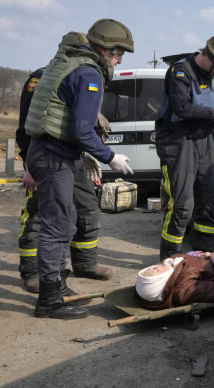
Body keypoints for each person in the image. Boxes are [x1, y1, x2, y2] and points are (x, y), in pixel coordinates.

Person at [24, 18, 135, 319]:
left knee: (67, 219)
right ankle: (49, 299)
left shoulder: (70, 63)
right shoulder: (89, 74)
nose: (120, 58)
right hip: (54, 156)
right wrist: (109, 156)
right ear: (103, 48)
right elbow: (84, 129)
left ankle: (58, 286)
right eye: (118, 52)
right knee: (57, 225)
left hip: (56, 152)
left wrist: (84, 155)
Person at [15, 32, 115, 294]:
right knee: (39, 216)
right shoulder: (42, 79)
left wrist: (92, 148)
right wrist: (29, 167)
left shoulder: (78, 74)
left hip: (73, 154)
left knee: (86, 209)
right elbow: (27, 127)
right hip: (46, 155)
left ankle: (84, 263)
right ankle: (32, 273)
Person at [154, 34, 214, 260]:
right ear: (210, 57)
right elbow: (181, 107)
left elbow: (199, 106)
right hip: (178, 141)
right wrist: (213, 112)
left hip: (203, 139)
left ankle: (203, 254)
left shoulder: (206, 73)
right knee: (182, 206)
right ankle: (169, 258)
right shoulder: (179, 72)